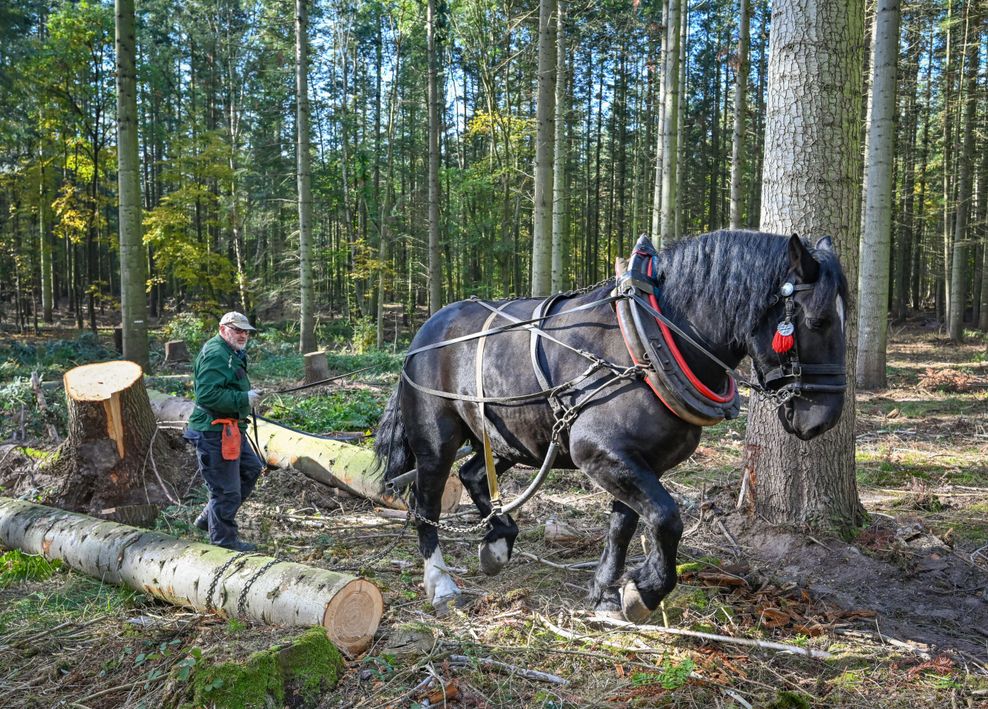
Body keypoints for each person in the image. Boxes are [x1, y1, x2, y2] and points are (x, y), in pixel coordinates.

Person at [184, 311, 264, 551]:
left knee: (250, 469)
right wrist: (243, 397)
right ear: (223, 329)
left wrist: (246, 397)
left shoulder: (233, 352)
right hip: (213, 431)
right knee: (226, 491)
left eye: (245, 331)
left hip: (231, 428)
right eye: (237, 330)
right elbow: (207, 395)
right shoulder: (216, 354)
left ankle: (209, 518)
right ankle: (223, 543)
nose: (242, 335)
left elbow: (226, 385)